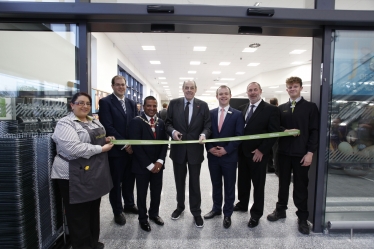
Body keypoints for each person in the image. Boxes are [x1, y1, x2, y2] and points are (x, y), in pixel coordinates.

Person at [51, 92, 114, 249]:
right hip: (72, 176)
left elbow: (96, 138)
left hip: (93, 173)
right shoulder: (65, 124)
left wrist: (105, 139)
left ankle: (93, 243)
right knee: (78, 216)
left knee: (93, 211)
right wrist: (101, 148)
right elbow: (73, 148)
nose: (85, 106)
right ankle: (82, 246)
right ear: (72, 105)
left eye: (87, 103)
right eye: (80, 103)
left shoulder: (94, 121)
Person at [267, 76, 319, 235]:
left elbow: (314, 131)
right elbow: (275, 127)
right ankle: (280, 210)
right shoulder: (281, 108)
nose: (292, 89)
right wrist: (284, 131)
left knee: (301, 186)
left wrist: (310, 152)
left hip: (301, 154)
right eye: (289, 87)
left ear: (301, 88)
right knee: (283, 183)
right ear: (286, 89)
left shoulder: (310, 107)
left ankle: (302, 217)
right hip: (283, 153)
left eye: (295, 86)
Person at [165, 80, 211, 228]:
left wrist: (204, 134)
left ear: (196, 89)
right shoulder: (174, 103)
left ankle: (196, 212)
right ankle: (180, 207)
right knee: (179, 181)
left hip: (195, 151)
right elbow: (167, 123)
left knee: (195, 183)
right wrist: (173, 132)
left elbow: (207, 125)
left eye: (192, 88)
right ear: (183, 89)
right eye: (186, 87)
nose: (189, 90)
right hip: (178, 150)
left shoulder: (202, 105)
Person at [234, 82, 280, 228]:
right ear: (246, 92)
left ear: (260, 91)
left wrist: (262, 150)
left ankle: (256, 214)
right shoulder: (242, 109)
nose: (252, 92)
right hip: (242, 153)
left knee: (258, 185)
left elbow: (273, 133)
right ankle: (242, 204)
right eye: (250, 90)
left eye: (255, 90)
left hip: (258, 154)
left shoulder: (271, 109)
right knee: (242, 181)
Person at [98, 75, 138, 226]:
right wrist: (125, 144)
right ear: (113, 86)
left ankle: (129, 204)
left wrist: (132, 144)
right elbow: (108, 126)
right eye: (118, 85)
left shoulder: (131, 103)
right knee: (116, 183)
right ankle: (117, 211)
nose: (121, 87)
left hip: (131, 151)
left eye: (123, 85)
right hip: (116, 151)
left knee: (129, 180)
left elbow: (135, 125)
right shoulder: (106, 102)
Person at [204, 85, 244, 228]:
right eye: (220, 94)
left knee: (229, 186)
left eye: (226, 94)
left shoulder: (238, 114)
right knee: (215, 184)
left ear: (230, 95)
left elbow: (239, 136)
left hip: (229, 157)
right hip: (213, 157)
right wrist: (209, 148)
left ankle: (227, 213)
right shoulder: (211, 113)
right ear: (217, 96)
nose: (223, 96)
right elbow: (207, 133)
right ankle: (216, 209)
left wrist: (226, 150)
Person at [128, 96, 168, 232]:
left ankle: (154, 214)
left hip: (158, 166)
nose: (152, 109)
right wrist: (149, 165)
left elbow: (164, 143)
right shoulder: (136, 122)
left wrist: (160, 161)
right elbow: (136, 147)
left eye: (154, 106)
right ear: (143, 106)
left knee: (156, 192)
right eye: (149, 106)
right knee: (142, 193)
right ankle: (143, 219)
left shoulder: (161, 122)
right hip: (142, 166)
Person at [267, 97, 279, 175]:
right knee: (275, 152)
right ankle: (275, 168)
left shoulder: (267, 111)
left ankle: (270, 166)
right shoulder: (278, 110)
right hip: (275, 137)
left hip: (268, 136)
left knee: (269, 153)